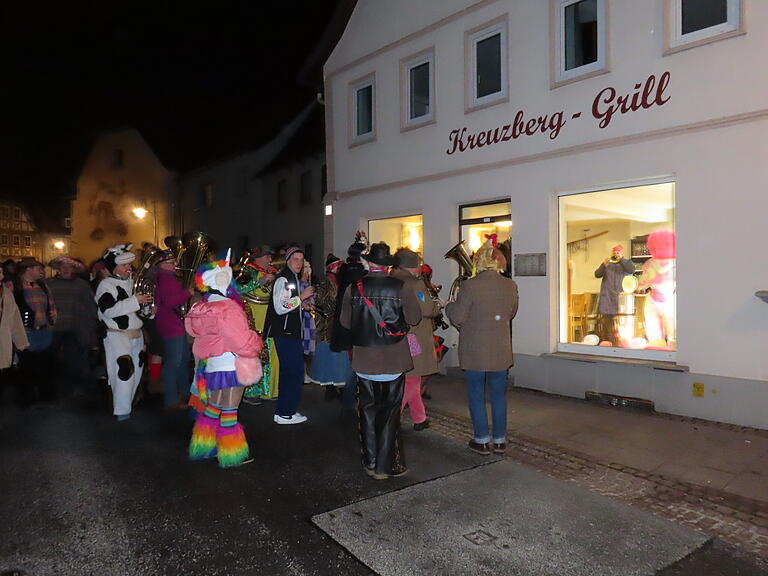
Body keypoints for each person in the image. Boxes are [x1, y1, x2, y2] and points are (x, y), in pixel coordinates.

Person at [340, 242, 421, 479]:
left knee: (367, 410)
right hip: (394, 357)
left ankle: (370, 461)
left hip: (365, 359)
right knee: (390, 412)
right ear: (387, 266)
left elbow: (345, 322)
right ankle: (384, 467)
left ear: (368, 262)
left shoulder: (353, 288)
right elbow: (414, 318)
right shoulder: (401, 287)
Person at [186, 251, 263, 468]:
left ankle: (204, 447)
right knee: (230, 409)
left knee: (213, 406)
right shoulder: (227, 308)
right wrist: (257, 342)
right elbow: (241, 341)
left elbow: (194, 333)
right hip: (232, 363)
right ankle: (231, 455)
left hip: (212, 365)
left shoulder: (200, 305)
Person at [446, 238, 519, 456]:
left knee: (476, 395)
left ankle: (481, 439)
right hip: (500, 350)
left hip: (475, 351)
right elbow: (512, 313)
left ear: (478, 261)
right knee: (498, 396)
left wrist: (448, 307)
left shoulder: (469, 285)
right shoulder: (510, 284)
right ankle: (499, 440)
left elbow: (459, 316)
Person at [95, 244, 153, 421]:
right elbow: (107, 310)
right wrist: (135, 300)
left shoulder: (132, 282)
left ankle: (128, 405)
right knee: (124, 371)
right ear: (114, 266)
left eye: (129, 264)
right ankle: (121, 411)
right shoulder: (106, 285)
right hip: (117, 334)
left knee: (137, 371)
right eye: (124, 265)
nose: (129, 268)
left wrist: (148, 310)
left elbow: (137, 310)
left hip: (136, 333)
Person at [264, 246, 314, 424]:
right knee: (294, 372)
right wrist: (301, 298)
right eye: (295, 259)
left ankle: (285, 411)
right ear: (288, 261)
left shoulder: (290, 277)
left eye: (301, 259)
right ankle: (286, 413)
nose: (299, 263)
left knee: (289, 372)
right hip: (285, 333)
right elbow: (280, 307)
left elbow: (286, 303)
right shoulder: (284, 278)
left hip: (288, 332)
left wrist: (302, 305)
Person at [391, 248, 440, 431]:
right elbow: (427, 310)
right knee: (412, 378)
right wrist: (437, 306)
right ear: (413, 266)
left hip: (398, 335)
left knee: (413, 377)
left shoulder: (392, 280)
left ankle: (420, 418)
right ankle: (391, 416)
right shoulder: (415, 283)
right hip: (414, 336)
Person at [47, 256, 98, 399]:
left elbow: (90, 306)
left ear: (74, 269)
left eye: (69, 267)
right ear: (57, 269)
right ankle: (52, 391)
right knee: (52, 361)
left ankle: (76, 389)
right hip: (53, 329)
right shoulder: (47, 284)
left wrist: (92, 327)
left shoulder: (82, 285)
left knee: (75, 361)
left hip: (75, 329)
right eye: (62, 267)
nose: (65, 269)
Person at [237, 245, 279, 403]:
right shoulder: (247, 271)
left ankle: (270, 390)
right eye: (267, 257)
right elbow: (237, 288)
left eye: (270, 257)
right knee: (255, 355)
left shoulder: (271, 272)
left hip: (269, 318)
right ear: (258, 258)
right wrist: (260, 281)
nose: (270, 260)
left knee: (270, 354)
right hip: (254, 320)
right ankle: (250, 393)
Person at [154, 250, 194, 410]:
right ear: (162, 265)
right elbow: (170, 302)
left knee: (183, 359)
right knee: (174, 362)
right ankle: (171, 399)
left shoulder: (168, 278)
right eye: (171, 263)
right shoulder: (165, 279)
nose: (175, 265)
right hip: (171, 325)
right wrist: (188, 293)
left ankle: (184, 391)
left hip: (176, 323)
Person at [13, 257, 57, 405]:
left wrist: (53, 316)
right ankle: (27, 398)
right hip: (26, 333)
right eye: (39, 268)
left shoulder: (43, 286)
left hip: (44, 332)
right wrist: (28, 319)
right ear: (28, 269)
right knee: (27, 367)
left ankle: (46, 396)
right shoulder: (14, 287)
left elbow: (51, 305)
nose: (42, 271)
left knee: (46, 366)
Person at [331, 240, 367, 410]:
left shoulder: (344, 269)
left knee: (353, 363)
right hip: (355, 323)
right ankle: (350, 399)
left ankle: (348, 398)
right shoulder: (358, 272)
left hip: (344, 322)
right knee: (357, 364)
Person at [309, 255, 351, 397]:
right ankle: (330, 387)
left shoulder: (339, 282)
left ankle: (337, 385)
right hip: (327, 326)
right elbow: (323, 304)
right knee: (329, 356)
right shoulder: (324, 282)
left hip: (336, 325)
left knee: (336, 357)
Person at [638, 229, 676, 350]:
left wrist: (635, 285)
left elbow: (642, 283)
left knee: (655, 334)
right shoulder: (678, 263)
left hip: (655, 299)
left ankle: (658, 353)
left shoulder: (649, 264)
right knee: (673, 334)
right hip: (670, 299)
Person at [594, 245, 634, 344]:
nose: (616, 254)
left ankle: (620, 344)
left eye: (618, 252)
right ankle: (609, 343)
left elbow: (631, 270)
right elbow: (597, 274)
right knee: (607, 325)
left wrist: (621, 259)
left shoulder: (626, 263)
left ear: (622, 253)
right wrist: (603, 265)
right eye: (614, 252)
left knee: (622, 325)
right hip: (607, 298)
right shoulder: (608, 264)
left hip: (620, 299)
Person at [0, 265, 29, 402]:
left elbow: (15, 319)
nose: (1, 277)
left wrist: (20, 341)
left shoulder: (6, 293)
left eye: (1, 273)